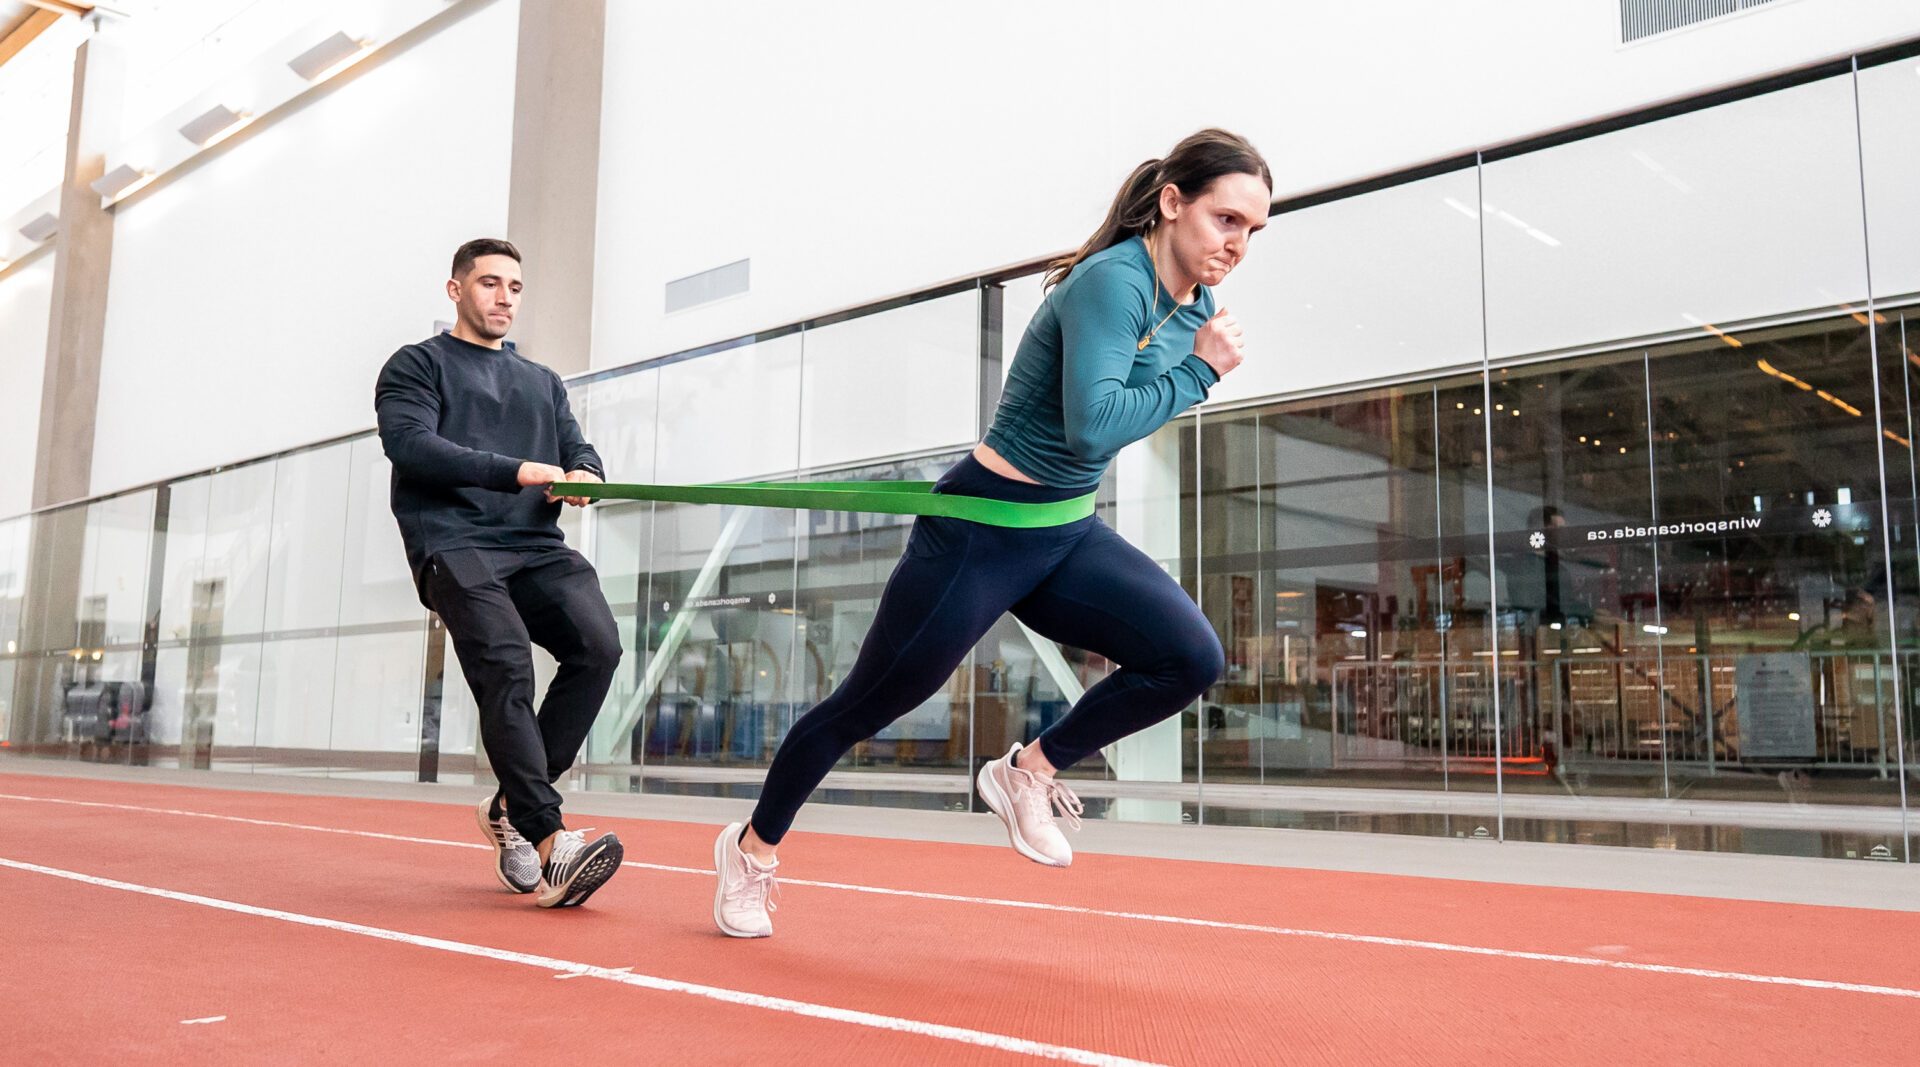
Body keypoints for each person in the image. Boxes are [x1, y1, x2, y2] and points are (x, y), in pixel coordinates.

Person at [713, 130, 1270, 937]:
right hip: (981, 530)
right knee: (866, 706)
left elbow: (1103, 438)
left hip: (1065, 530)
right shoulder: (1112, 283)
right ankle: (751, 850)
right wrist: (1201, 373)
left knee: (1190, 655)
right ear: (1173, 202)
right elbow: (1092, 429)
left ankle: (1028, 771)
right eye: (1227, 219)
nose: (1237, 244)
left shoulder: (1197, 310)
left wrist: (1195, 361)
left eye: (1253, 230)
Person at [375, 238, 625, 908]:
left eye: (514, 286)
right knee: (508, 662)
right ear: (456, 290)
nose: (503, 297)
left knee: (598, 647)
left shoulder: (541, 381)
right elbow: (411, 445)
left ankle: (511, 804)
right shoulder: (415, 366)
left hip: (533, 545)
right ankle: (551, 842)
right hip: (453, 543)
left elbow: (579, 448)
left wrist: (585, 476)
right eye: (489, 283)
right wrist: (511, 468)